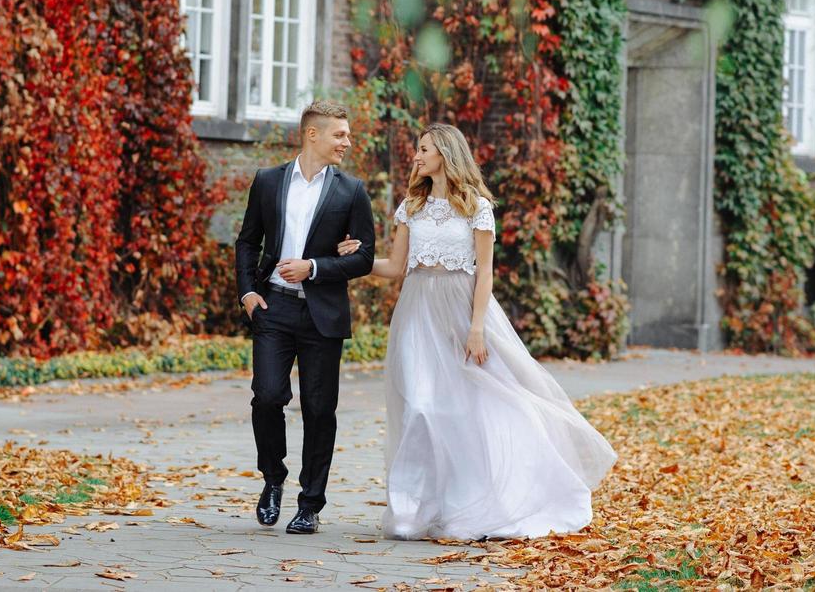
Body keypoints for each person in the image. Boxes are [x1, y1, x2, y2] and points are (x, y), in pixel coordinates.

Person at [326, 123, 615, 540]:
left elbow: (485, 274)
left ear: (444, 152)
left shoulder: (477, 207)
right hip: (417, 312)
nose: (416, 156)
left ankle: (474, 501)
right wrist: (359, 259)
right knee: (419, 408)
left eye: (423, 149)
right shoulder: (411, 206)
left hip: (462, 310)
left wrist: (476, 328)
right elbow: (394, 268)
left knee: (470, 406)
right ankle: (413, 511)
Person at [236, 100, 376, 535]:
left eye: (347, 135)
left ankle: (310, 504)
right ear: (312, 134)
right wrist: (247, 292)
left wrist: (315, 267)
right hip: (274, 308)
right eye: (340, 135)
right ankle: (272, 478)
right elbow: (247, 241)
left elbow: (365, 257)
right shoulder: (268, 181)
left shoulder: (351, 191)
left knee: (319, 409)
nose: (347, 143)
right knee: (267, 396)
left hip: (322, 315)